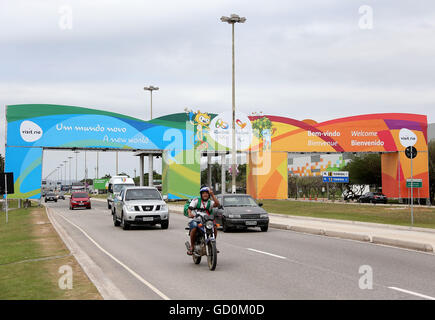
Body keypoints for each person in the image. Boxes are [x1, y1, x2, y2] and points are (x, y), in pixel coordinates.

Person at [187, 186, 220, 255]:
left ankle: (213, 245)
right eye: (203, 193)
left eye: (207, 193)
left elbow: (217, 204)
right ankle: (192, 247)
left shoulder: (210, 202)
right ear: (201, 194)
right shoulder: (196, 200)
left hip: (206, 220)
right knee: (195, 226)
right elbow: (189, 208)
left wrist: (212, 195)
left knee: (214, 227)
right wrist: (190, 214)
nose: (205, 195)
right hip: (196, 219)